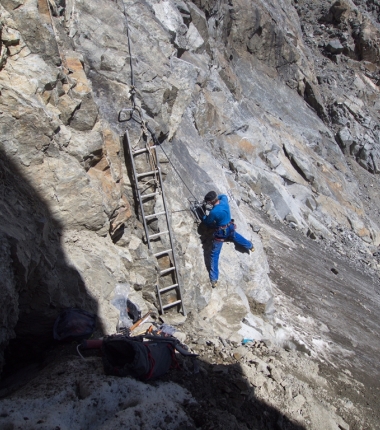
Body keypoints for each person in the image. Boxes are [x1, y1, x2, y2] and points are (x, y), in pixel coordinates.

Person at [202, 191, 254, 288]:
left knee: (214, 254)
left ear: (211, 202)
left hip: (221, 233)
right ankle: (250, 246)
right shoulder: (224, 201)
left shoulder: (214, 212)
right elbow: (224, 196)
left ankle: (214, 279)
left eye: (208, 202)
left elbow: (208, 223)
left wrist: (203, 216)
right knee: (236, 236)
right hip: (230, 227)